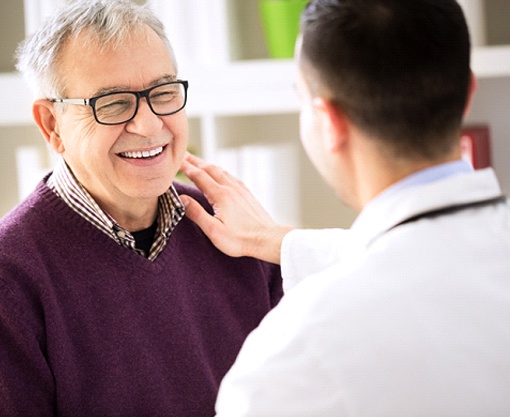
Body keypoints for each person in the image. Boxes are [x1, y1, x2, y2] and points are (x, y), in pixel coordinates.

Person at [179, 0, 510, 415]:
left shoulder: (296, 355)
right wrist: (281, 242)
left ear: (328, 122)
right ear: (468, 94)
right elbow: (429, 260)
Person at [0, 1, 282, 416]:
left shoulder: (237, 230)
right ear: (51, 125)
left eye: (164, 93)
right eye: (113, 103)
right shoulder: (12, 274)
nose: (148, 125)